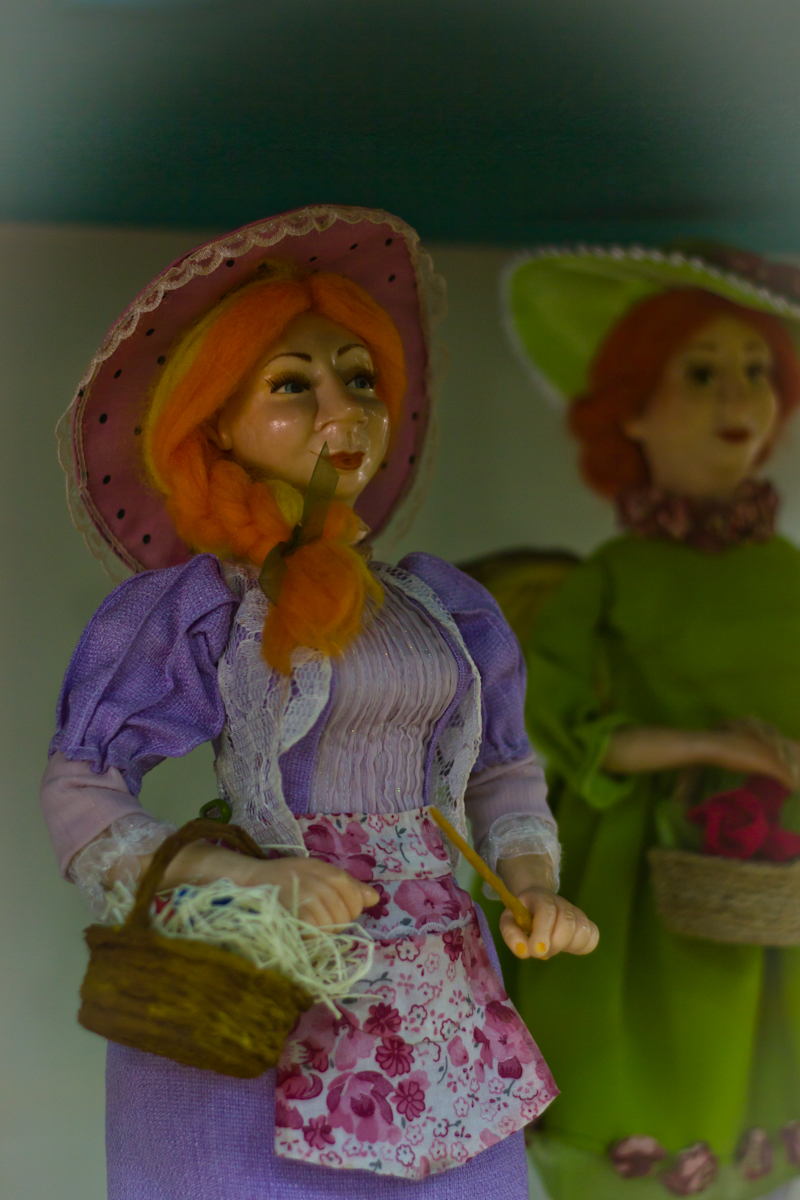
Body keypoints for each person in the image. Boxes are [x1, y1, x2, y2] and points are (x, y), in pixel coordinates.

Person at [40, 206, 597, 1200]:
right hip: (281, 969)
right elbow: (82, 786)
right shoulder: (206, 609)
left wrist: (531, 879)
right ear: (217, 422)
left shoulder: (438, 603)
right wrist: (237, 881)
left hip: (436, 971)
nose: (343, 408)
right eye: (292, 385)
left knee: (456, 1172)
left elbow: (502, 766)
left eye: (359, 378)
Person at [496, 243, 800, 1200]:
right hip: (638, 878)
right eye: (700, 373)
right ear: (630, 409)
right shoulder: (614, 576)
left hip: (775, 877)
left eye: (756, 370)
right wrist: (711, 746)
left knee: (753, 1080)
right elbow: (558, 728)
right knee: (643, 1083)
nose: (738, 397)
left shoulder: (787, 573)